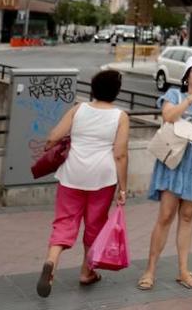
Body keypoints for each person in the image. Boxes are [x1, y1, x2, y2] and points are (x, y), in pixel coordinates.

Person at [35, 70, 130, 297]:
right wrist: (123, 187)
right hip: (102, 178)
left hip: (72, 174)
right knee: (95, 225)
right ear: (116, 92)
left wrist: (50, 149)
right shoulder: (120, 116)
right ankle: (87, 272)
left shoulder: (79, 109)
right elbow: (120, 155)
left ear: (93, 89)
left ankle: (51, 261)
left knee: (64, 222)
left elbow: (53, 136)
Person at [138, 53, 192, 291]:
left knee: (187, 217)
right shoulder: (174, 95)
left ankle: (183, 271)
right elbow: (168, 116)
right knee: (165, 216)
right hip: (175, 164)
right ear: (187, 76)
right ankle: (150, 270)